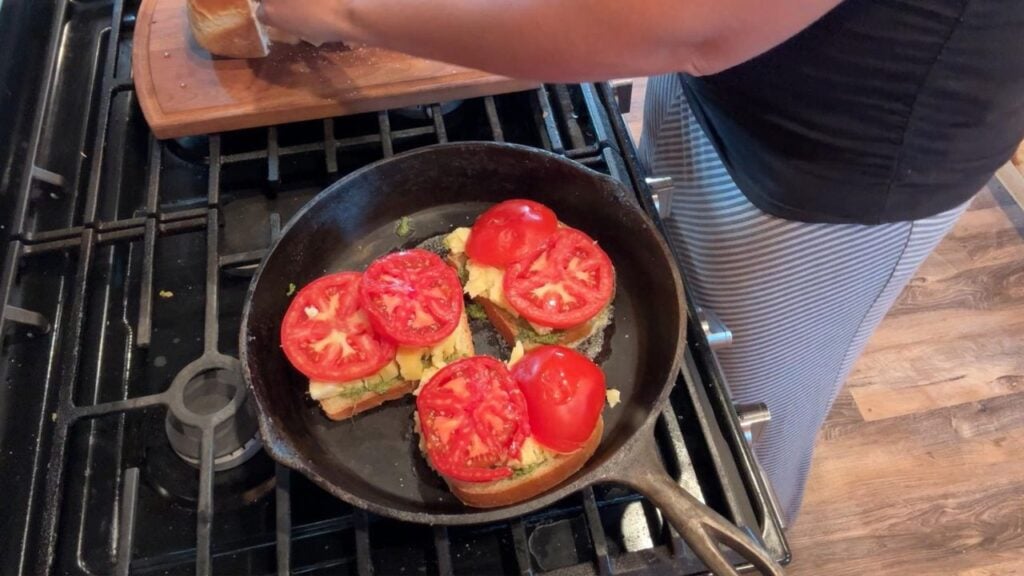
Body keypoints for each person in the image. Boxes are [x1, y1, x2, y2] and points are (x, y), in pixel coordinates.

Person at [260, 0, 1024, 524]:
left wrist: (340, 9)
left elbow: (685, 21)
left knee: (745, 407)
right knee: (671, 276)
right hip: (716, 79)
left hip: (844, 167)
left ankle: (740, 519)